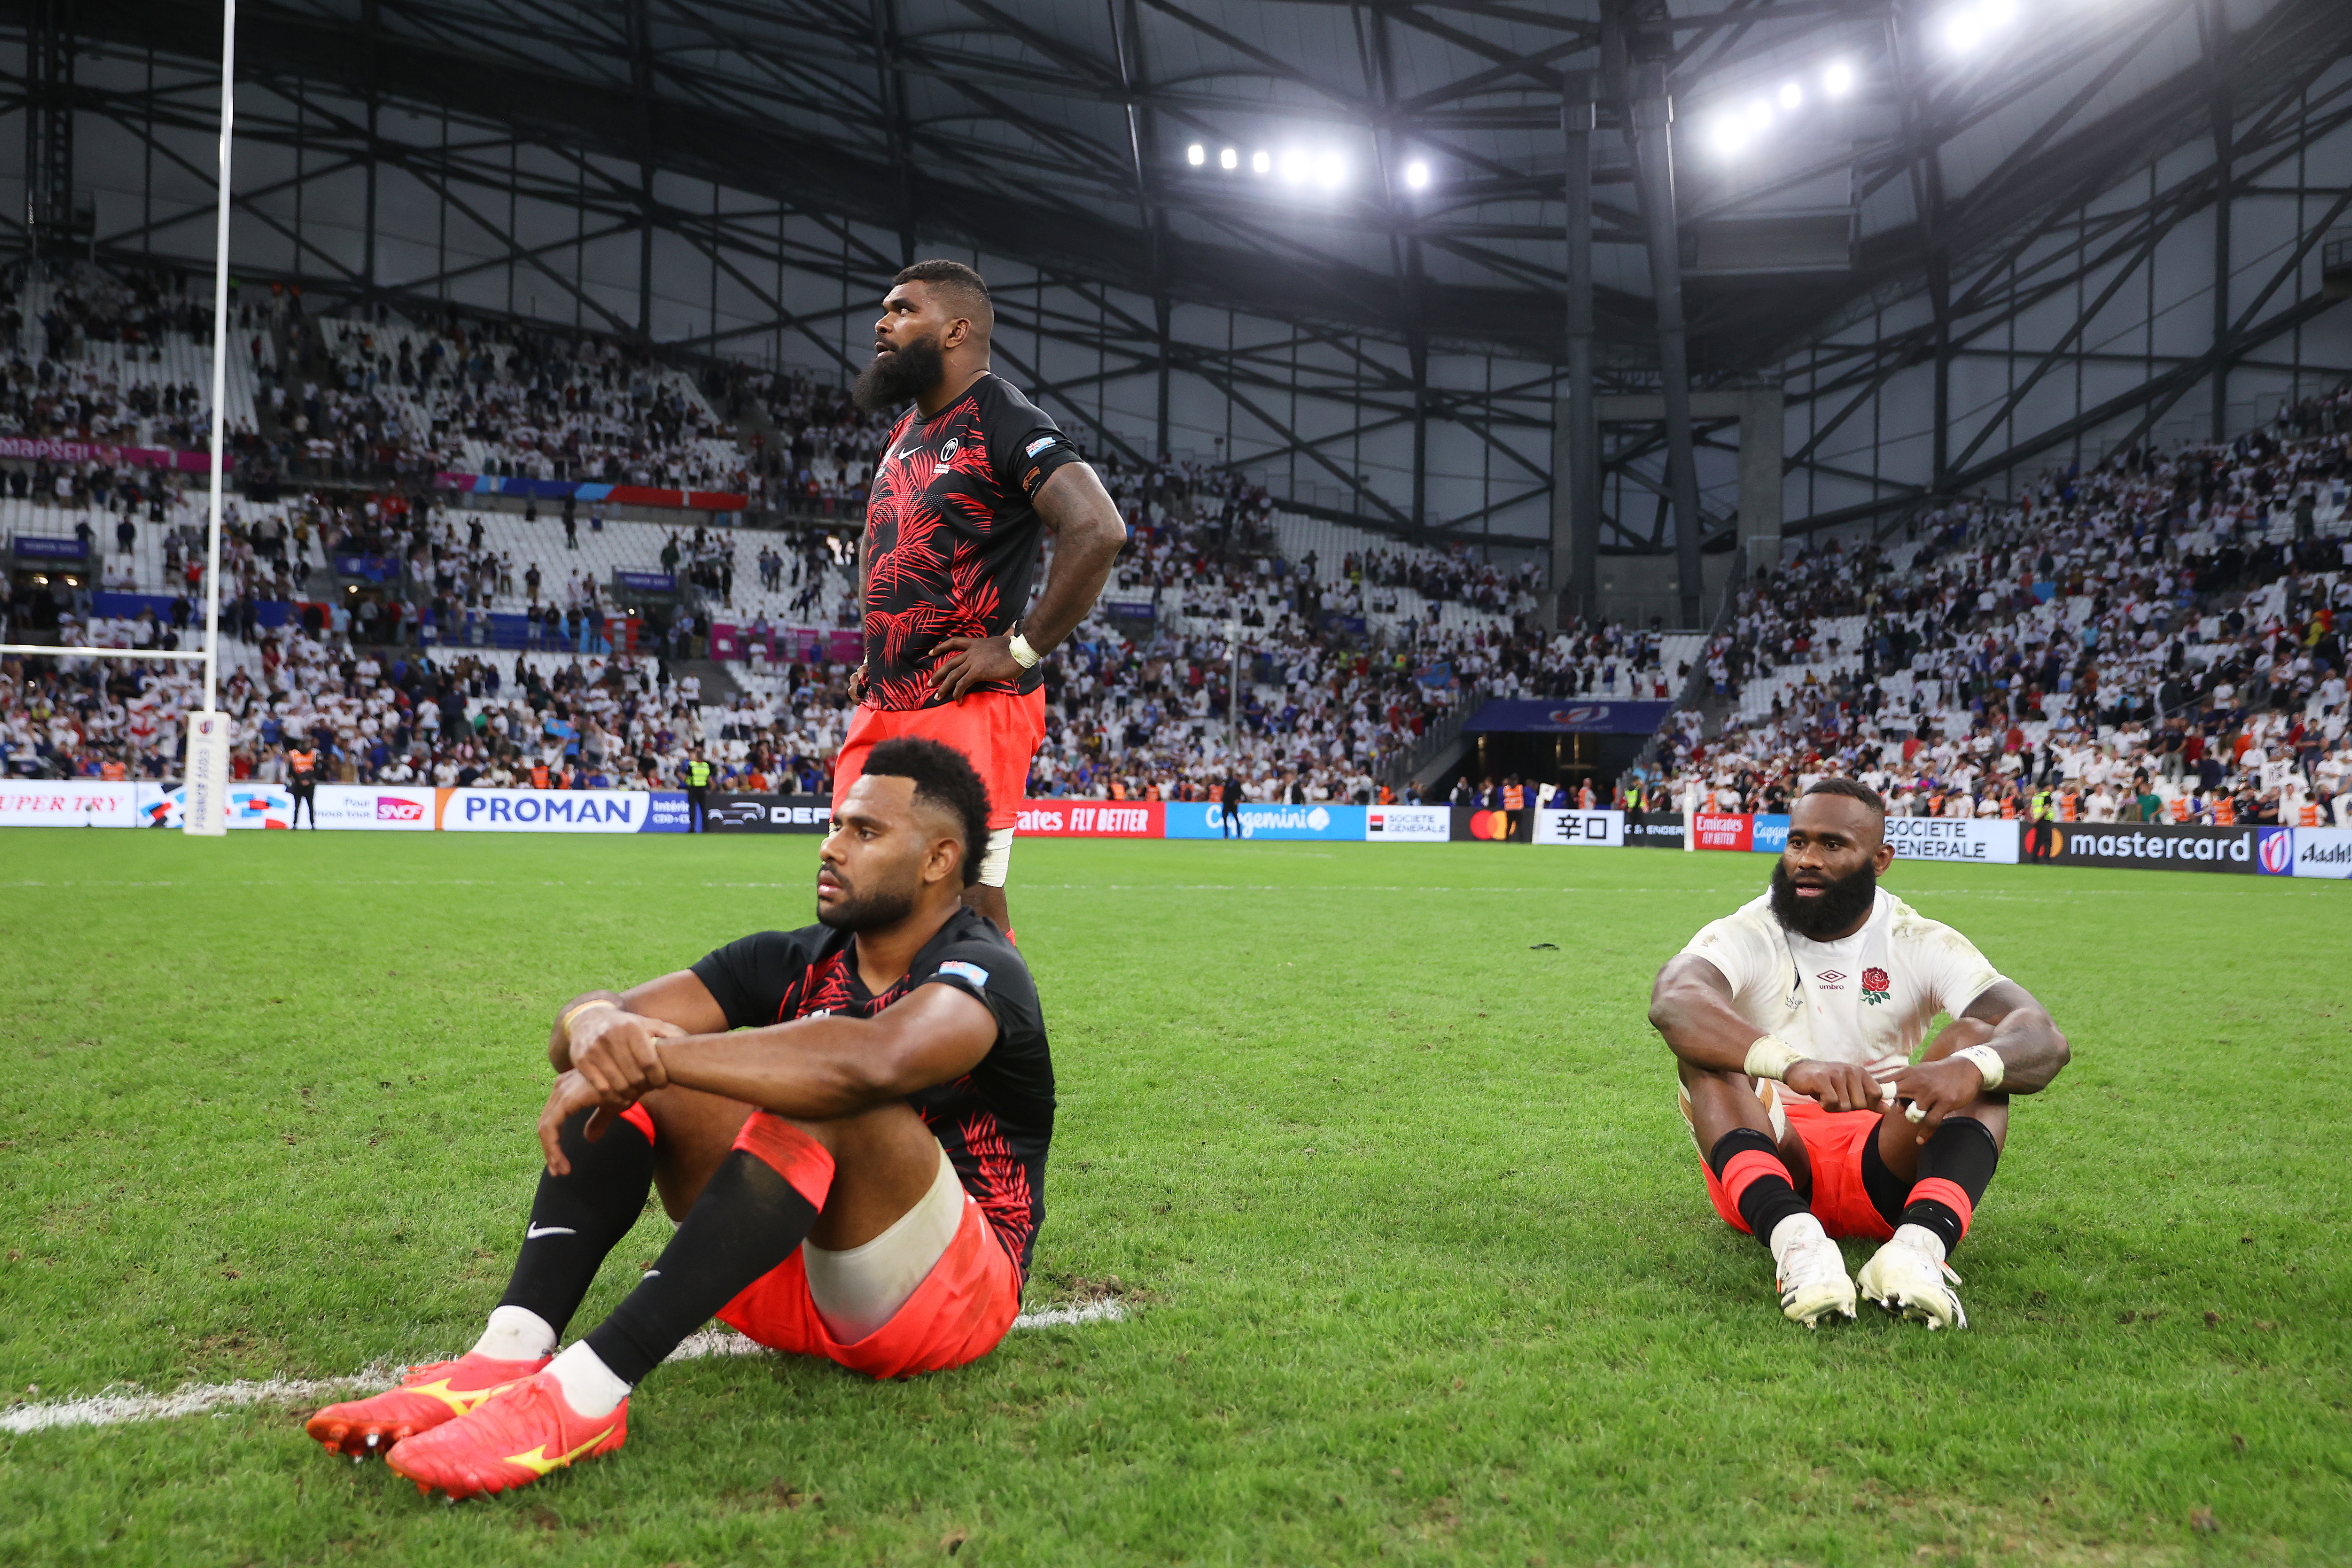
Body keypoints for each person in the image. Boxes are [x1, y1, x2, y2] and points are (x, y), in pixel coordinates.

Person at [304, 739, 1051, 1498]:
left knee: (829, 1093)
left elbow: (870, 1062)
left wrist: (652, 1055)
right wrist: (598, 1027)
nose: (829, 848)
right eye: (834, 825)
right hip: (784, 1278)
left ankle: (585, 1396)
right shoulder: (793, 957)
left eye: (863, 832)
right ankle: (507, 1352)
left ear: (937, 861)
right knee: (637, 1069)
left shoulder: (984, 969)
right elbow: (603, 1021)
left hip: (949, 1299)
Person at [1646, 779, 2070, 1330]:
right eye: (1797, 843)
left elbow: (2043, 1040)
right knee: (1705, 1048)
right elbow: (1673, 1002)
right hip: (1773, 1151)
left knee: (1976, 1043)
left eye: (1832, 845)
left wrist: (1969, 1068)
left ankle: (1917, 1249)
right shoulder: (1750, 929)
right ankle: (1797, 1245)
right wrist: (1793, 1065)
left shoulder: (1917, 939)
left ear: (1880, 859)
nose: (1806, 860)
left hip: (1885, 1155)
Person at [837, 260, 1127, 940]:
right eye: (886, 309)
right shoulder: (907, 431)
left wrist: (1019, 648)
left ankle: (1002, 1042)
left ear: (956, 330)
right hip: (887, 698)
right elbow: (879, 539)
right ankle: (872, 1033)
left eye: (904, 309)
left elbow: (1097, 528)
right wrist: (877, 649)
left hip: (966, 701)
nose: (883, 322)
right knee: (859, 879)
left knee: (965, 897)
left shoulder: (1002, 415)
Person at [286, 740, 320, 828]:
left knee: (311, 805)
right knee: (297, 806)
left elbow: (316, 770)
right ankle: (295, 824)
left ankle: (312, 824)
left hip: (309, 783)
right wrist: (300, 781)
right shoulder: (294, 754)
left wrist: (309, 780)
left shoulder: (313, 754)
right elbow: (292, 770)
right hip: (298, 784)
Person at [685, 751, 712, 832]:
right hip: (703, 789)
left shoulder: (692, 765)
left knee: (693, 809)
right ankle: (707, 828)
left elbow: (688, 775)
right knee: (704, 809)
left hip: (694, 788)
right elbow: (708, 777)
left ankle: (692, 828)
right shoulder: (706, 766)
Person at [1220, 772, 1243, 839]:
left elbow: (1239, 792)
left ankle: (1235, 835)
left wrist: (1238, 800)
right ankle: (1229, 835)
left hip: (1230, 803)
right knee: (1230, 818)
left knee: (1234, 818)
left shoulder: (1231, 783)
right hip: (1229, 803)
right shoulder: (1231, 783)